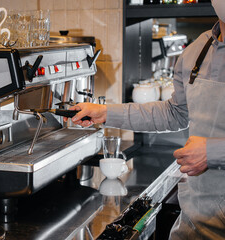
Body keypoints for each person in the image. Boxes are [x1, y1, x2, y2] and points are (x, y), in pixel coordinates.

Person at [65, 0, 225, 239]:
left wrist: (212, 152)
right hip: (196, 223)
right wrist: (105, 112)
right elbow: (175, 113)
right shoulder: (197, 52)